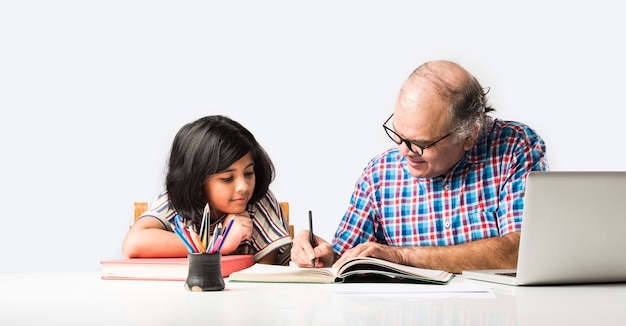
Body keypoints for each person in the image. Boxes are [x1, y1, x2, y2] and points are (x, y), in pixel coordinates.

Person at [291, 60, 549, 273]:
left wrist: (403, 256)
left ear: (470, 135)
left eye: (420, 143)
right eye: (398, 135)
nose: (403, 151)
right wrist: (321, 255)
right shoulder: (380, 173)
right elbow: (347, 261)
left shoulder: (515, 146)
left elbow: (523, 252)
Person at [123, 115, 292, 265]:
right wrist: (219, 243)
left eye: (248, 173)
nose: (243, 187)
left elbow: (265, 276)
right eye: (227, 178)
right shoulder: (175, 201)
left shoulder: (257, 201)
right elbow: (134, 243)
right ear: (197, 182)